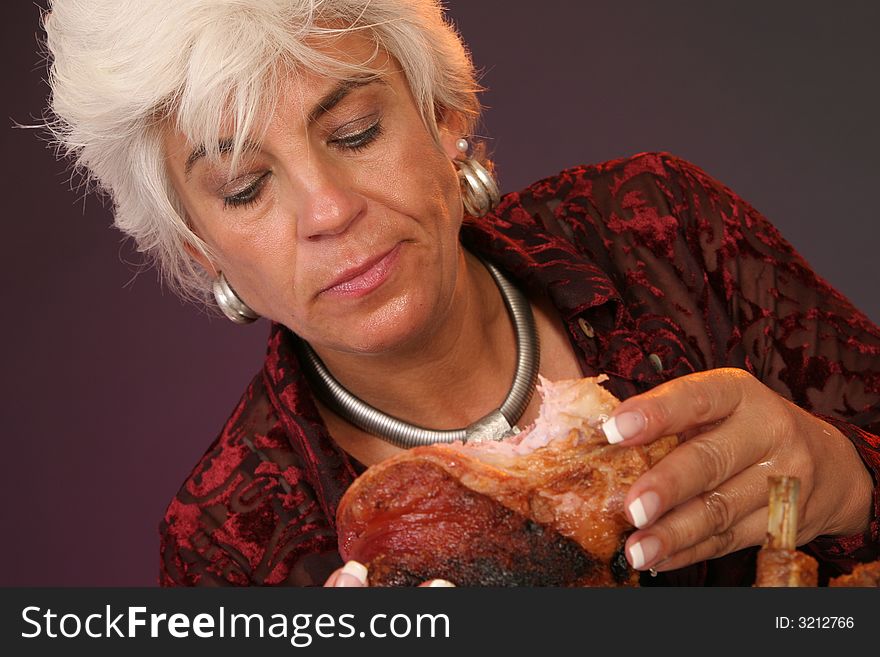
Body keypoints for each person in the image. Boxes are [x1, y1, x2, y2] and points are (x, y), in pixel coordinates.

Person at [42, 0, 879, 587]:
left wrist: (851, 480)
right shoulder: (227, 547)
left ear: (443, 116)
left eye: (354, 133)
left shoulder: (661, 230)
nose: (329, 210)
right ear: (200, 249)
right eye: (245, 186)